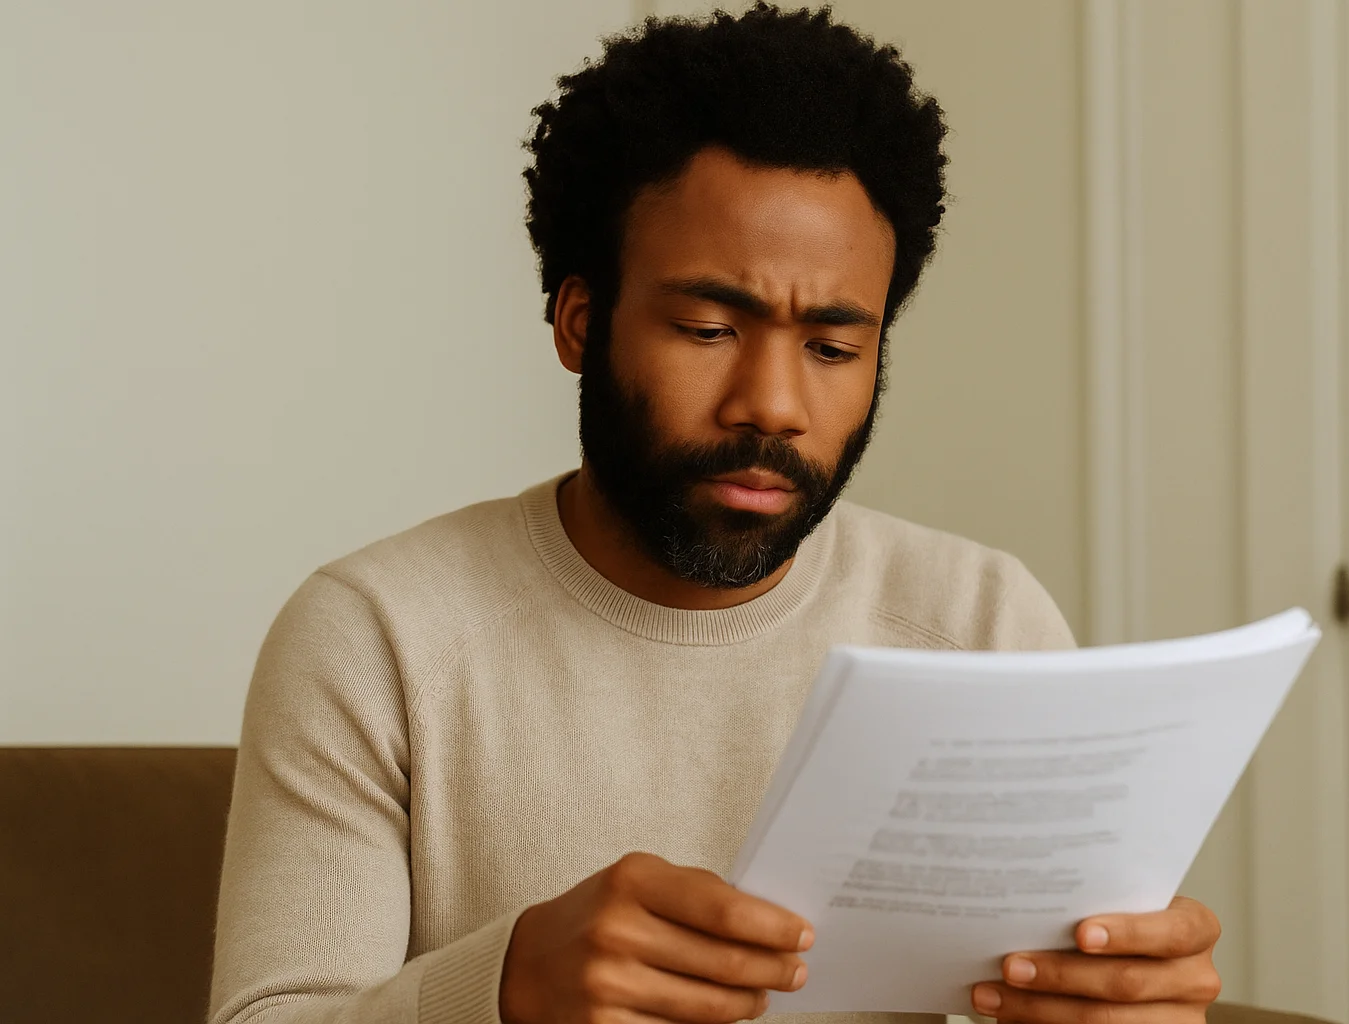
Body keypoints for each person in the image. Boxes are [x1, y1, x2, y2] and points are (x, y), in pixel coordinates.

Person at [209, 6, 1223, 1024]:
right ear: (578, 321)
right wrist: (504, 989)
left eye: (833, 348)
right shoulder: (376, 637)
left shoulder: (983, 622)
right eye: (706, 326)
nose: (774, 405)